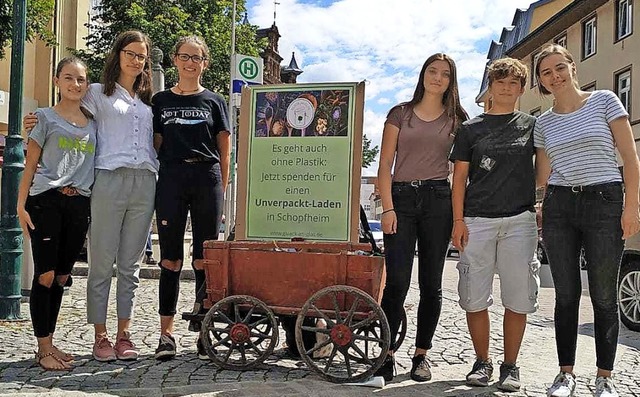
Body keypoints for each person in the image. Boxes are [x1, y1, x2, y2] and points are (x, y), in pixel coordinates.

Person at [533, 44, 640, 397]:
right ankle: (565, 375)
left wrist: (631, 206)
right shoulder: (543, 123)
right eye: (546, 72)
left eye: (559, 67)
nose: (555, 76)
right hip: (559, 206)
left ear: (572, 67)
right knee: (566, 295)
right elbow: (542, 176)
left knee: (604, 296)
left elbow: (629, 157)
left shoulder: (605, 100)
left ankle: (604, 377)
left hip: (604, 200)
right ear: (541, 82)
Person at [375, 53, 468, 382]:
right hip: (400, 199)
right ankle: (386, 354)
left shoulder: (458, 120)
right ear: (423, 74)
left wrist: (459, 219)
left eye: (445, 73)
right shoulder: (399, 113)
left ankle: (421, 355)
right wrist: (387, 207)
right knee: (397, 283)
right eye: (432, 71)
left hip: (438, 202)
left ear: (450, 80)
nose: (438, 77)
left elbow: (460, 176)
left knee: (432, 284)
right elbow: (384, 165)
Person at [450, 57, 539, 392]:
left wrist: (539, 204)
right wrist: (458, 220)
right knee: (475, 296)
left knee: (517, 297)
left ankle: (510, 366)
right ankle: (482, 361)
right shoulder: (471, 129)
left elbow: (542, 168)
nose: (506, 87)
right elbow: (458, 180)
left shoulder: (532, 125)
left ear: (521, 88)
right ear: (491, 85)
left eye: (513, 82)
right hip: (477, 221)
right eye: (500, 81)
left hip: (520, 221)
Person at [151, 35, 230, 361]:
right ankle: (165, 335)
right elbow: (153, 145)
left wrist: (221, 188)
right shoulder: (159, 101)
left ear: (205, 64)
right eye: (185, 56)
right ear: (175, 60)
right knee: (171, 259)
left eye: (197, 58)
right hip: (171, 178)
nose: (190, 62)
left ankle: (204, 330)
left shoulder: (215, 101)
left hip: (206, 178)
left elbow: (225, 150)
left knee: (204, 259)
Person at [17, 57, 97, 370]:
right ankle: (43, 347)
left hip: (79, 203)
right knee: (46, 274)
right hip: (45, 200)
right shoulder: (44, 119)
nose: (75, 84)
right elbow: (31, 163)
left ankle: (50, 340)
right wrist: (20, 205)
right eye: (68, 78)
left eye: (80, 79)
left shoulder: (92, 121)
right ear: (57, 81)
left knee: (63, 276)